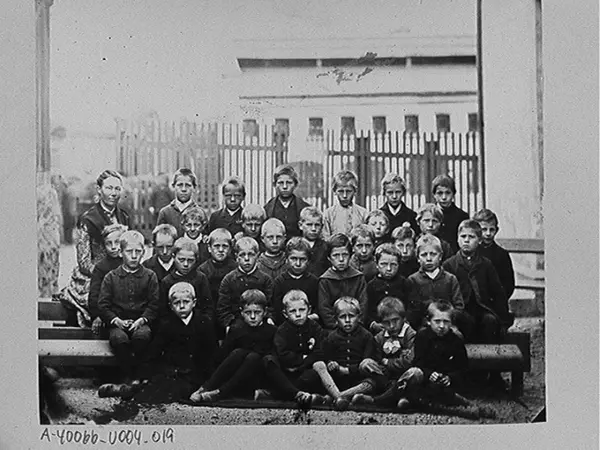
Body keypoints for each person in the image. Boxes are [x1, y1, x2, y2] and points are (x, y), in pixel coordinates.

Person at [55, 169, 130, 328]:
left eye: (117, 189)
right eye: (109, 188)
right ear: (99, 189)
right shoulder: (87, 219)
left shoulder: (124, 217)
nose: (113, 193)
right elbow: (84, 262)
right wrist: (109, 275)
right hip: (94, 275)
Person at [189, 289, 276, 403]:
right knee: (238, 352)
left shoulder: (271, 331)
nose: (253, 317)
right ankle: (206, 387)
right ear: (241, 312)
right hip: (237, 377)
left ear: (265, 312)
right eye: (248, 313)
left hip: (258, 377)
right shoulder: (237, 330)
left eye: (257, 312)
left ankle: (220, 393)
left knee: (253, 357)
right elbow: (223, 356)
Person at [97, 230, 159, 387]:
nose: (134, 256)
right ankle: (128, 376)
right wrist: (116, 320)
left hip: (141, 322)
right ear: (121, 252)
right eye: (129, 251)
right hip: (117, 323)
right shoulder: (111, 277)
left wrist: (142, 320)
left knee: (142, 337)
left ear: (143, 252)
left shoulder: (150, 276)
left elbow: (154, 304)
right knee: (119, 339)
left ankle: (139, 376)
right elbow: (103, 305)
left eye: (138, 252)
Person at [141, 282, 217, 400]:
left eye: (186, 302)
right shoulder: (166, 325)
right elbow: (154, 353)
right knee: (158, 389)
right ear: (171, 306)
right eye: (177, 303)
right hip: (175, 372)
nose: (181, 306)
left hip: (197, 373)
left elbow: (212, 353)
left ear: (194, 303)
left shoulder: (204, 323)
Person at [443, 220, 513, 346]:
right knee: (463, 321)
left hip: (482, 309)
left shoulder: (486, 264)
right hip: (460, 310)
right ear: (457, 239)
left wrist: (503, 319)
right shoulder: (449, 265)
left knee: (490, 321)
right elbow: (445, 295)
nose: (466, 240)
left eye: (471, 237)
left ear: (479, 240)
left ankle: (487, 355)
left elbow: (498, 293)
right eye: (463, 236)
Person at [394, 300, 470, 411]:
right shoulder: (422, 336)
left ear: (452, 323)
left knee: (440, 389)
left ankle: (422, 401)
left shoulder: (456, 341)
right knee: (414, 375)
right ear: (429, 321)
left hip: (444, 382)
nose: (442, 326)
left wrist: (449, 378)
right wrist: (429, 374)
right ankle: (408, 399)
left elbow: (462, 367)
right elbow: (418, 362)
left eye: (446, 322)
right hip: (425, 379)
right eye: (437, 321)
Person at [312, 297, 380, 410]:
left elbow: (368, 362)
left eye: (351, 316)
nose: (347, 320)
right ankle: (340, 397)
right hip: (338, 380)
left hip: (358, 378)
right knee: (319, 370)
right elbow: (326, 356)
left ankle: (336, 397)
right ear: (336, 319)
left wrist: (349, 370)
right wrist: (331, 363)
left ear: (359, 317)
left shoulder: (367, 336)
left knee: (371, 383)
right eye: (342, 317)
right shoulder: (331, 337)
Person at [262, 290, 326, 405]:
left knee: (313, 374)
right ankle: (296, 394)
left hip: (304, 372)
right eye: (292, 311)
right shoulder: (282, 331)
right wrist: (303, 357)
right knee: (269, 361)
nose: (298, 314)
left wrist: (301, 364)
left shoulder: (315, 328)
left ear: (309, 310)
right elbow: (283, 355)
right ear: (285, 314)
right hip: (286, 372)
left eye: (302, 310)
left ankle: (280, 394)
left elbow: (319, 353)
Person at [352, 297, 417, 407]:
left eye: (395, 320)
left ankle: (377, 399)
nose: (392, 326)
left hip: (403, 375)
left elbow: (408, 362)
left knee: (414, 373)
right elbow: (378, 360)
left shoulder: (410, 335)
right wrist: (387, 363)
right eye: (386, 322)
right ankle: (393, 391)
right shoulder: (379, 337)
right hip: (385, 377)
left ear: (403, 318)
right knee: (365, 364)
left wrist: (387, 362)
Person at [406, 234, 465, 332]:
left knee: (457, 335)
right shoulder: (413, 280)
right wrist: (429, 322)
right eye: (424, 255)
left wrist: (448, 320)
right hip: (424, 326)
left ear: (440, 256)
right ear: (418, 258)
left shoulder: (450, 279)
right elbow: (414, 310)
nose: (429, 259)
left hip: (447, 325)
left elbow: (459, 306)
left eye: (433, 254)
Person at [216, 237, 274, 332]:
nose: (246, 259)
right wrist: (229, 323)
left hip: (260, 322)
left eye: (251, 255)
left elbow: (270, 305)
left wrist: (269, 318)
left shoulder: (265, 279)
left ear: (257, 256)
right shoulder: (229, 279)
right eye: (242, 255)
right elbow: (223, 307)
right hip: (236, 324)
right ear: (236, 257)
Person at [318, 233, 368, 330]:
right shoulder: (325, 280)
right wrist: (335, 325)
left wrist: (357, 323)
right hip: (334, 329)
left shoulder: (358, 278)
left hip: (357, 327)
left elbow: (363, 305)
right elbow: (324, 308)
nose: (341, 259)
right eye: (336, 255)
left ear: (350, 255)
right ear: (329, 258)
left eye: (345, 255)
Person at [159, 237, 213, 323]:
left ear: (196, 260)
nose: (186, 264)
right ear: (173, 257)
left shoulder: (201, 278)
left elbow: (207, 308)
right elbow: (163, 312)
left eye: (190, 260)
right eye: (181, 260)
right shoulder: (167, 281)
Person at [88, 223, 128, 334]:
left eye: (117, 242)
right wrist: (98, 315)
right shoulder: (101, 267)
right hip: (108, 315)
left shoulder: (129, 263)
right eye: (109, 243)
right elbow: (94, 294)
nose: (113, 247)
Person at [198, 228, 237, 338]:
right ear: (209, 248)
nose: (220, 250)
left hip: (230, 313)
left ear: (230, 249)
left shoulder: (235, 268)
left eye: (225, 246)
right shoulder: (203, 270)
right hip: (211, 313)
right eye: (216, 246)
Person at [272, 237, 320, 325]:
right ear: (286, 259)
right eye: (294, 259)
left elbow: (317, 309)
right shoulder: (279, 282)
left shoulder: (314, 282)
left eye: (302, 259)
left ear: (308, 261)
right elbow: (277, 311)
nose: (298, 264)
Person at [365, 244, 410, 333]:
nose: (389, 269)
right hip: (380, 328)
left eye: (393, 265)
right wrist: (373, 323)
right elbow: (368, 310)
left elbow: (410, 307)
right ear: (377, 264)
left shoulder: (404, 283)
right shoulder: (371, 285)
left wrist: (404, 321)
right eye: (384, 264)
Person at [473, 208, 516, 300]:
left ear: (497, 230)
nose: (488, 233)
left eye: (491, 229)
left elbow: (508, 285)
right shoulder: (472, 252)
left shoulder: (502, 254)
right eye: (484, 229)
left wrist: (498, 300)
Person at [264, 164, 310, 238]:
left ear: (295, 184)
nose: (285, 187)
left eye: (289, 183)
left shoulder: (305, 208)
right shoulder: (267, 209)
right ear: (274, 185)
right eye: (281, 183)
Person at [322, 170, 367, 239]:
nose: (345, 195)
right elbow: (326, 239)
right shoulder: (328, 214)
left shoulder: (363, 213)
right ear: (334, 191)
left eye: (348, 191)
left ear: (355, 191)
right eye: (341, 191)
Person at [432, 174, 469, 254]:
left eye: (448, 193)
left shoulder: (462, 216)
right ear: (434, 195)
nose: (444, 197)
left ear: (453, 194)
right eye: (440, 193)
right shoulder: (429, 215)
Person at [157, 168, 198, 237]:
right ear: (173, 186)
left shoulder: (199, 212)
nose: (183, 189)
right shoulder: (165, 213)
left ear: (194, 188)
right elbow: (159, 239)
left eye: (188, 185)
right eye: (180, 185)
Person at [378, 173, 418, 237]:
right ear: (384, 193)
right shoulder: (379, 216)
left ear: (403, 192)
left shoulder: (411, 216)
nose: (394, 196)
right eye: (390, 192)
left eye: (398, 192)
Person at [298, 206, 329, 277]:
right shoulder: (295, 245)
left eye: (317, 225)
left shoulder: (325, 247)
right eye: (309, 225)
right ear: (300, 225)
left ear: (322, 226)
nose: (313, 229)